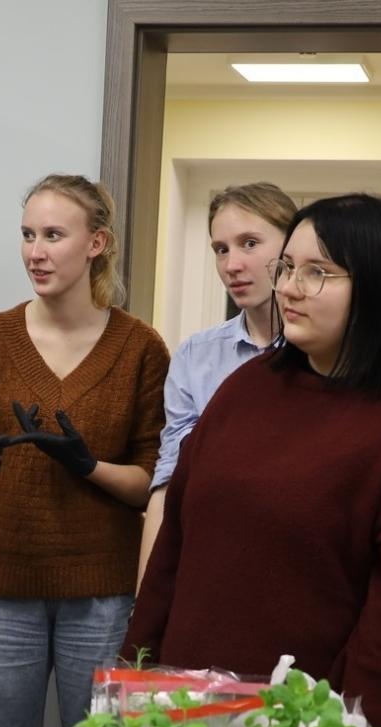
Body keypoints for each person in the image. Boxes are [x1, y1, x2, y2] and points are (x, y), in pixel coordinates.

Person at [127, 193, 381, 727]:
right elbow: (176, 549)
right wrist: (138, 676)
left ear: (376, 283)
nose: (290, 287)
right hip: (190, 723)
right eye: (287, 267)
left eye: (317, 273)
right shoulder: (248, 388)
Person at [0, 174, 169, 727]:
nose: (35, 252)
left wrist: (87, 466)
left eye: (54, 235)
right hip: (1, 585)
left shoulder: (140, 348)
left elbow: (151, 482)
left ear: (96, 243)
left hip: (102, 592)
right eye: (28, 235)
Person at [139, 182, 298, 582]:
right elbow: (169, 482)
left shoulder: (323, 353)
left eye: (249, 243)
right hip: (211, 562)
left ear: (290, 248)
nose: (232, 264)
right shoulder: (197, 355)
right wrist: (144, 603)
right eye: (221, 249)